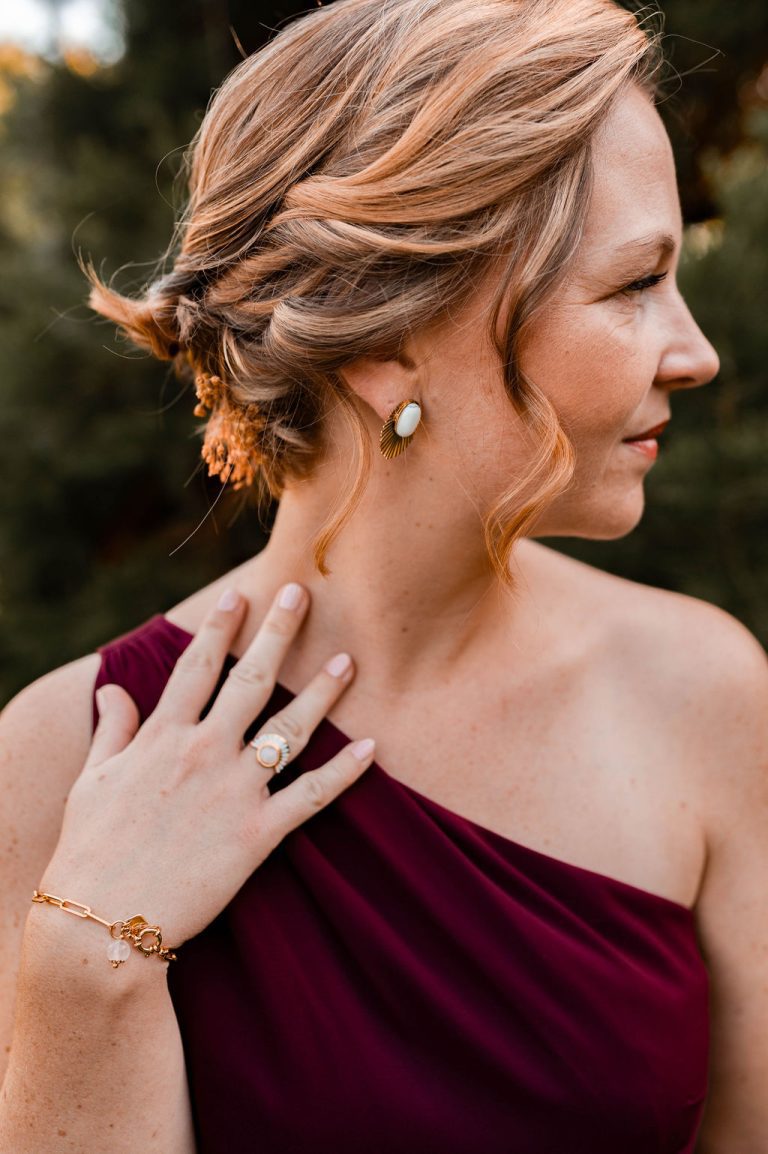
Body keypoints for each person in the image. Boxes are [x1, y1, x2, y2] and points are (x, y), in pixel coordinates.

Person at [1, 0, 766, 1149]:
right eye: (632, 286)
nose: (695, 351)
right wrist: (88, 948)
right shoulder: (64, 757)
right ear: (379, 340)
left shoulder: (706, 692)